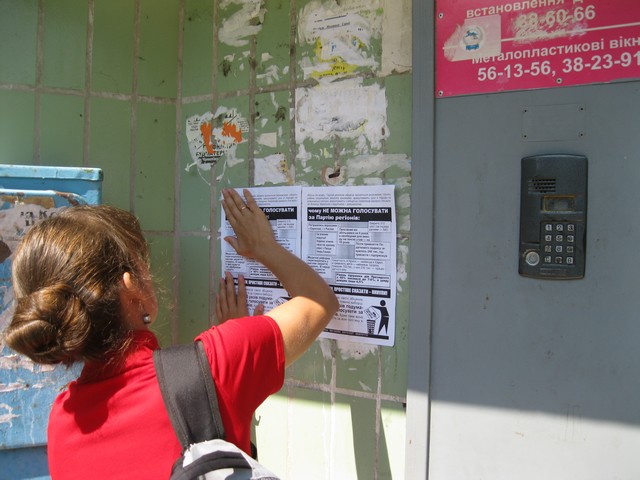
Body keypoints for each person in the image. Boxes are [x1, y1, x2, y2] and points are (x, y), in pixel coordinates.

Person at [3, 188, 339, 479]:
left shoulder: (62, 420)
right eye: (140, 260)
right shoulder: (217, 363)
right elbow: (318, 302)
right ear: (131, 287)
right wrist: (263, 247)